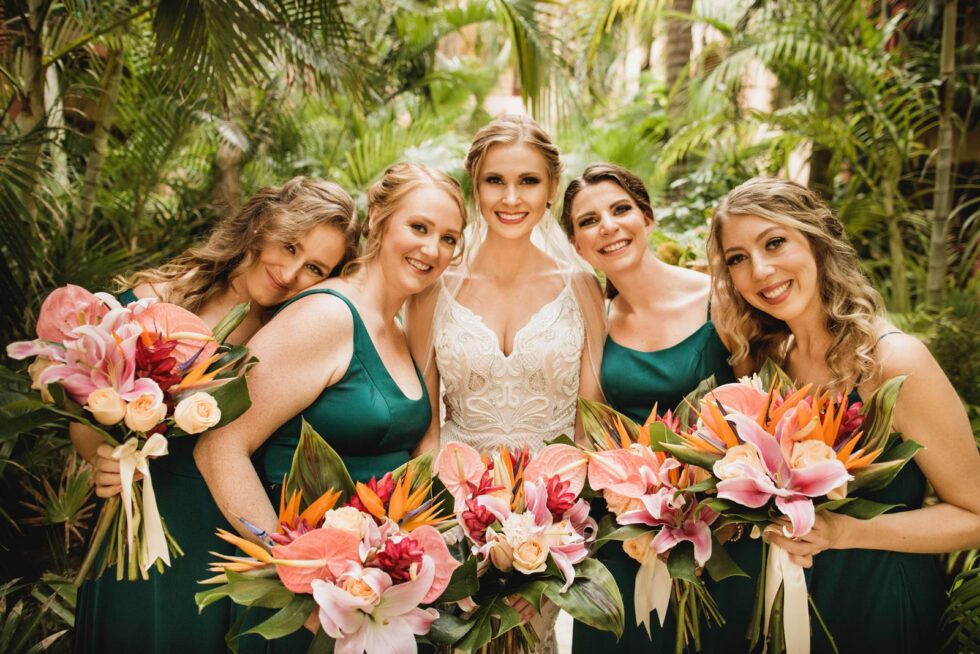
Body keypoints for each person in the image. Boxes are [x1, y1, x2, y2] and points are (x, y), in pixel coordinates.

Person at [72, 177, 359, 654]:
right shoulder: (158, 297)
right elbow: (83, 407)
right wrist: (100, 455)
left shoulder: (293, 337)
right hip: (138, 520)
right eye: (288, 245)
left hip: (224, 533)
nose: (289, 273)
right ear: (261, 223)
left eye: (314, 267)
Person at [194, 163, 467, 653]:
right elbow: (220, 445)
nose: (433, 249)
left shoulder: (401, 330)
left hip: (370, 600)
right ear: (380, 215)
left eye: (449, 238)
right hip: (307, 610)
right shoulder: (326, 315)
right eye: (419, 227)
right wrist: (298, 580)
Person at [706, 175, 980, 653]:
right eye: (738, 259)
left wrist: (850, 531)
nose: (761, 270)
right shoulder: (770, 363)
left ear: (815, 240)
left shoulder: (894, 362)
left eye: (774, 242)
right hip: (787, 604)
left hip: (877, 599)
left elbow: (975, 514)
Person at [406, 115, 605, 654]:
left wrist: (548, 536)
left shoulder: (581, 285)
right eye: (495, 180)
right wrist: (454, 528)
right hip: (454, 513)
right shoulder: (434, 286)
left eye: (528, 181)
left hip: (553, 521)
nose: (511, 197)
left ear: (551, 190)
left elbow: (591, 421)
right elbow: (426, 425)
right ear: (475, 184)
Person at [561, 163, 758, 652]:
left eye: (620, 209)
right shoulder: (596, 320)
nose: (607, 226)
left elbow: (760, 400)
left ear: (647, 218)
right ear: (576, 245)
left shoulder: (720, 299)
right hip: (627, 536)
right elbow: (592, 429)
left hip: (723, 530)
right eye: (588, 221)